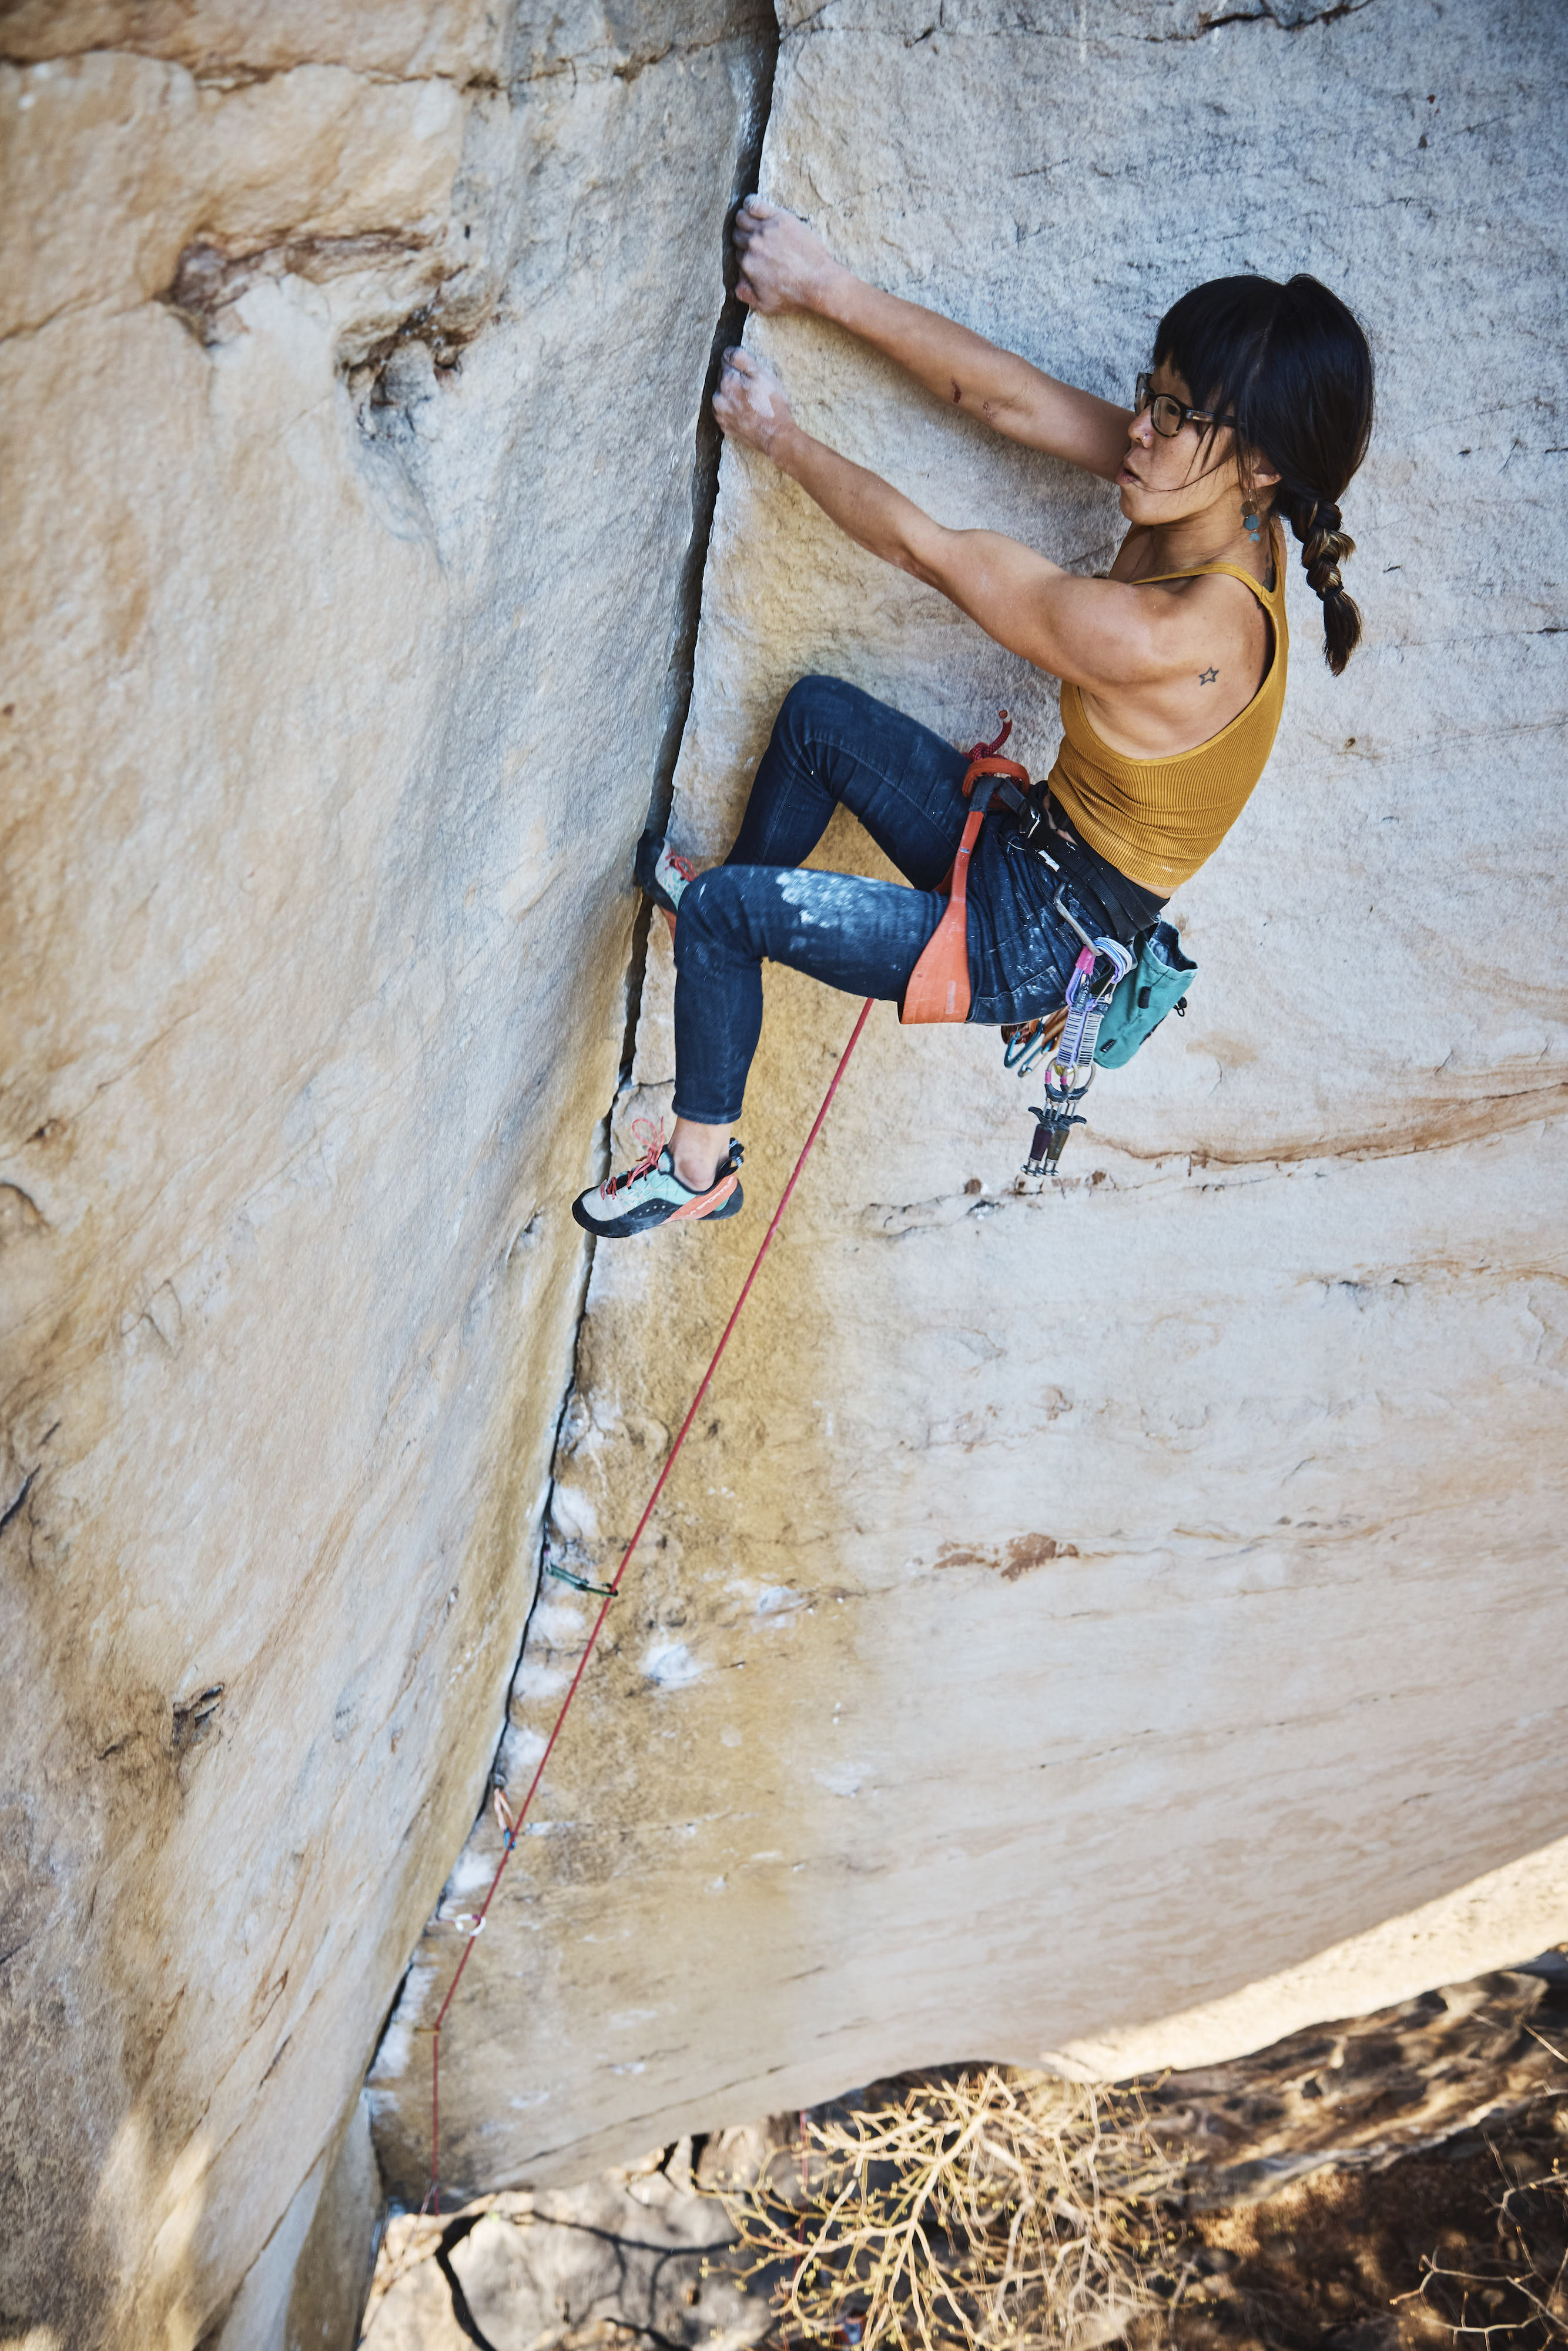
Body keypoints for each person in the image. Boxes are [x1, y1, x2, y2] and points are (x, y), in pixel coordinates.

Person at [573, 197, 1374, 1240]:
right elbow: (1013, 402)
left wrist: (778, 434)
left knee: (726, 911)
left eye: (1178, 415)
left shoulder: (1174, 636)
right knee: (816, 721)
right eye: (1152, 394)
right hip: (1029, 849)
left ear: (1262, 463)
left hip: (1033, 938)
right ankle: (725, 935)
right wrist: (825, 289)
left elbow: (928, 550)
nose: (1141, 426)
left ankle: (699, 1163)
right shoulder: (1225, 509)